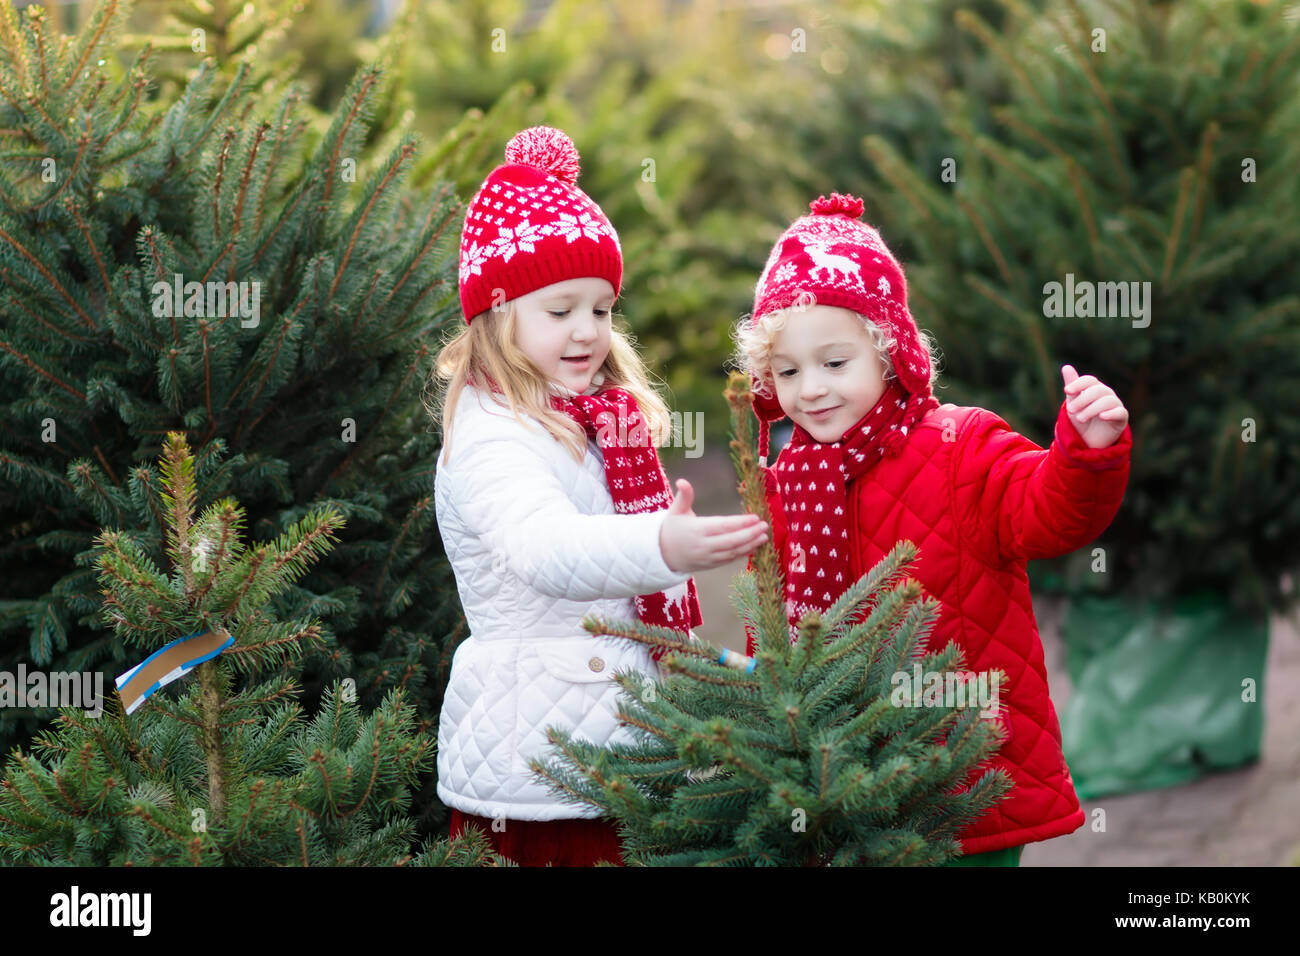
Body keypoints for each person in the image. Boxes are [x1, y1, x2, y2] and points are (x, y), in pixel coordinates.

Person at [732, 191, 1132, 866]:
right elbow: (770, 627)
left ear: (889, 356)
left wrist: (1085, 452)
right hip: (838, 784)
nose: (812, 390)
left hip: (962, 776)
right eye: (789, 371)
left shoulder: (958, 446)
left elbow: (1048, 513)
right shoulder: (783, 482)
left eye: (835, 363)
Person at [430, 125, 768, 866]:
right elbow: (543, 549)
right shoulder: (493, 434)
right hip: (540, 773)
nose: (588, 331)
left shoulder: (592, 419)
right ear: (496, 312)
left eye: (602, 308)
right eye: (560, 310)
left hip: (611, 745)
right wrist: (660, 547)